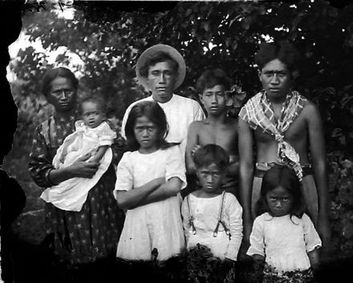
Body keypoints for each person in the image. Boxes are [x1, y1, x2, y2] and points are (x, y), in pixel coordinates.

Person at [28, 67, 124, 282]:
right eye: (57, 92)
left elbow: (119, 153)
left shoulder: (94, 119)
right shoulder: (45, 130)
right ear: (47, 95)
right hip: (67, 210)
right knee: (72, 267)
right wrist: (69, 170)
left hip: (101, 204)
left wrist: (107, 151)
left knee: (108, 265)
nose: (63, 96)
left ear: (76, 90)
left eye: (68, 90)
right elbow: (37, 171)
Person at [238, 41, 330, 246]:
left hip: (301, 183)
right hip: (263, 186)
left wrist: (323, 216)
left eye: (281, 74)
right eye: (268, 74)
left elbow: (320, 163)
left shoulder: (307, 110)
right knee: (266, 252)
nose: (274, 80)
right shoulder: (248, 112)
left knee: (305, 248)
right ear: (259, 75)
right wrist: (246, 219)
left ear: (292, 75)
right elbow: (245, 166)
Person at [114, 101, 186, 261]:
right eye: (140, 128)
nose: (145, 134)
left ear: (160, 128)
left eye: (150, 128)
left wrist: (134, 200)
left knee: (168, 265)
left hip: (166, 222)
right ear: (132, 130)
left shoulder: (171, 152)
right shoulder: (129, 159)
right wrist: (155, 183)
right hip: (138, 225)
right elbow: (122, 199)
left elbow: (173, 187)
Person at [121, 44, 205, 157]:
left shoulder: (191, 107)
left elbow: (202, 147)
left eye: (168, 73)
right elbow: (130, 148)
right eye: (155, 73)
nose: (162, 80)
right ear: (147, 77)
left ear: (175, 77)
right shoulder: (135, 109)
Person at [40, 95, 116, 212]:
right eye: (87, 114)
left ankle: (68, 192)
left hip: (92, 156)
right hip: (80, 154)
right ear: (82, 116)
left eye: (95, 114)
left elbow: (104, 145)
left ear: (103, 115)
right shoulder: (83, 128)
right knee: (69, 167)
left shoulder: (103, 128)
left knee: (81, 181)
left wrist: (95, 159)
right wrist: (65, 152)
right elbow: (74, 140)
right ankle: (63, 188)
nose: (91, 117)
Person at [247, 164, 322, 283]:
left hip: (301, 275)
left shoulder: (302, 219)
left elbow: (312, 249)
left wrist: (316, 272)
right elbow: (257, 253)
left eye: (285, 199)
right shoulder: (261, 222)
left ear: (294, 197)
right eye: (273, 198)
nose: (279, 204)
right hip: (273, 276)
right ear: (265, 196)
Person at [181, 144, 243, 262]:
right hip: (195, 259)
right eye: (205, 173)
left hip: (222, 258)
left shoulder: (229, 200)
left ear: (224, 174)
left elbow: (236, 233)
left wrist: (230, 258)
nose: (210, 180)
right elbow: (186, 230)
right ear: (197, 172)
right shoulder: (189, 200)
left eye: (215, 174)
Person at [185, 69, 239, 198]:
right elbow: (191, 167)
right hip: (202, 195)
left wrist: (202, 156)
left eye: (219, 94)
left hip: (231, 192)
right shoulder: (196, 128)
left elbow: (243, 167)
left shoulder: (237, 126)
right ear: (201, 98)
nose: (214, 100)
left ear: (227, 96)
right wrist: (228, 159)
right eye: (209, 94)